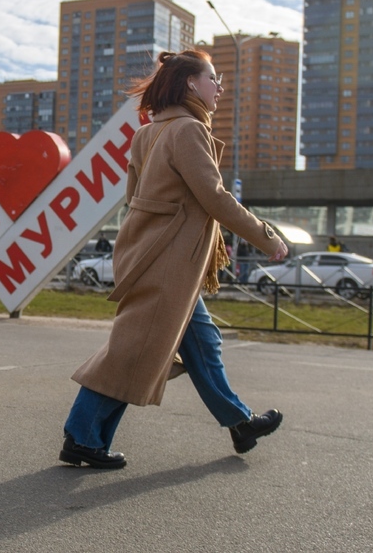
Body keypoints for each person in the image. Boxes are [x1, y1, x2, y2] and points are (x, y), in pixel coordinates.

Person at [59, 50, 289, 470]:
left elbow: (134, 199)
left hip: (160, 257)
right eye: (213, 78)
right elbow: (214, 197)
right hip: (166, 262)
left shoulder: (149, 132)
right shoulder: (187, 130)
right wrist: (265, 236)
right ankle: (81, 437)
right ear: (190, 84)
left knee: (202, 342)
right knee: (130, 352)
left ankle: (239, 422)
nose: (220, 87)